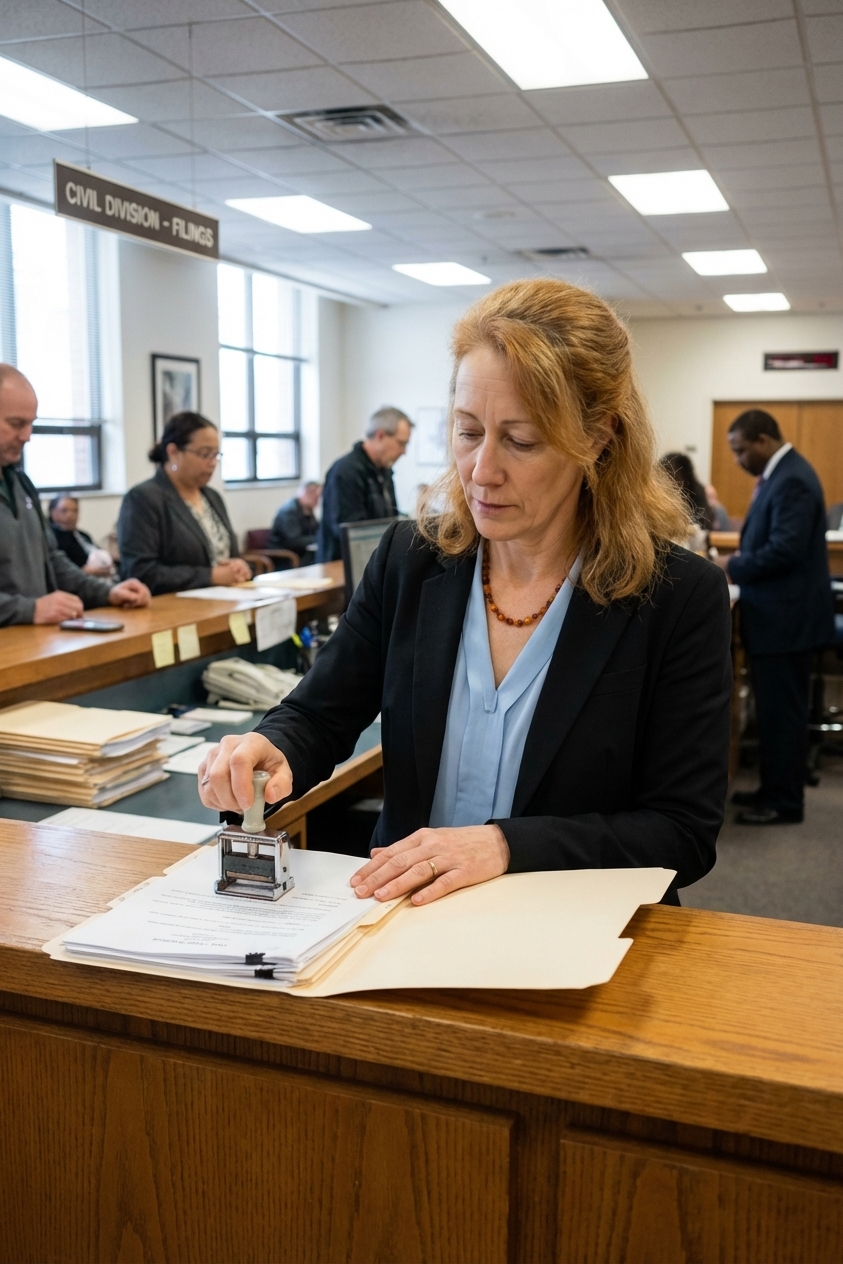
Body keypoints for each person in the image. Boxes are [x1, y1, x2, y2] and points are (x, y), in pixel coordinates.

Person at [199, 278, 732, 909]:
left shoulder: (676, 595)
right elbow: (320, 713)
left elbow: (681, 832)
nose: (481, 471)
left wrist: (506, 846)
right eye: (468, 431)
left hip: (575, 930)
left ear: (598, 437)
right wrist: (274, 746)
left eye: (521, 440)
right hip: (404, 916)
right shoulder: (409, 560)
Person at [725, 409, 834, 825]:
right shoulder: (782, 474)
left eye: (740, 450)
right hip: (776, 618)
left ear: (762, 440)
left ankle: (784, 802)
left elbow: (785, 550)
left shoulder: (791, 479)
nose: (738, 460)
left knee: (783, 714)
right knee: (773, 713)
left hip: (787, 622)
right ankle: (772, 790)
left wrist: (733, 564)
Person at [0, 364, 149, 625]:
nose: (27, 436)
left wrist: (108, 591)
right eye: (16, 424)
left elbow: (53, 561)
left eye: (31, 424)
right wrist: (29, 610)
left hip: (32, 646)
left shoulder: (20, 483)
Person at [118, 411, 252, 595]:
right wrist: (209, 576)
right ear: (173, 452)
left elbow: (229, 554)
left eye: (216, 454)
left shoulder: (212, 497)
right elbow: (140, 572)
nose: (212, 463)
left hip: (224, 603)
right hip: (172, 610)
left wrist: (237, 566)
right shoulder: (143, 498)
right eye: (204, 454)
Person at [316, 406, 412, 562]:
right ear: (380, 435)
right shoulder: (345, 472)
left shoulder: (384, 471)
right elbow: (349, 533)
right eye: (401, 443)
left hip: (373, 562)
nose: (404, 451)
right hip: (342, 566)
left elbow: (390, 521)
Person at [48, 495, 115, 576]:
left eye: (75, 510)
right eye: (64, 510)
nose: (71, 515)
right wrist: (84, 571)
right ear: (53, 513)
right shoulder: (53, 539)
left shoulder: (84, 535)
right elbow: (60, 569)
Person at [268, 481, 321, 559]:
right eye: (316, 496)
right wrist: (320, 538)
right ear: (306, 492)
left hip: (301, 553)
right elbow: (294, 541)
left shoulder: (307, 510)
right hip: (285, 557)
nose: (318, 500)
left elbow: (315, 530)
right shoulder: (289, 511)